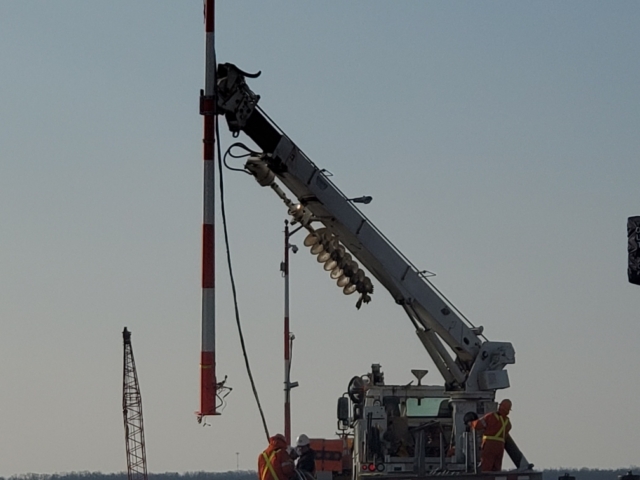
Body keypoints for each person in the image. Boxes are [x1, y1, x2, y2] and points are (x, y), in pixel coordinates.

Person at [470, 399, 512, 472]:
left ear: (500, 407)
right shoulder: (507, 423)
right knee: (496, 469)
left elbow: (477, 425)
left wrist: (471, 423)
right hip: (500, 447)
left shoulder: (490, 417)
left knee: (486, 468)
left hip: (489, 445)